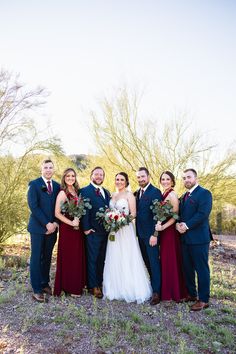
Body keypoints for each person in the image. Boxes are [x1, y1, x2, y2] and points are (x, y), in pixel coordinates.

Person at [103, 172, 152, 304]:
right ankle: (115, 288)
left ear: (126, 181)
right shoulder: (112, 195)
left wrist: (121, 222)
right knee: (115, 256)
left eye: (122, 179)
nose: (119, 181)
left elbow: (134, 213)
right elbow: (108, 212)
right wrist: (111, 221)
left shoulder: (129, 195)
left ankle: (130, 288)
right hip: (113, 231)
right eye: (117, 179)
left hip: (125, 230)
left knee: (127, 255)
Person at [176, 168, 213, 311]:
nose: (186, 180)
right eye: (184, 178)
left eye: (189, 177)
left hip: (199, 239)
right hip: (185, 239)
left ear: (195, 178)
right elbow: (180, 214)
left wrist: (186, 225)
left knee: (201, 269)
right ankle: (191, 294)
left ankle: (204, 299)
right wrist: (179, 223)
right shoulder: (184, 196)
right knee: (187, 268)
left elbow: (203, 214)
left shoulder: (204, 193)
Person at [27, 159, 60, 302]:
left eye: (50, 167)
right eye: (45, 167)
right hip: (37, 228)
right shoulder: (34, 185)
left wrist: (55, 223)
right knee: (36, 258)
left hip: (53, 228)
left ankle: (44, 283)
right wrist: (47, 224)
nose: (48, 170)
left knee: (47, 257)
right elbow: (33, 206)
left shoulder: (58, 186)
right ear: (41, 169)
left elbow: (61, 208)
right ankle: (36, 289)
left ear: (53, 170)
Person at [155, 171, 187, 302]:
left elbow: (175, 216)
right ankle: (168, 290)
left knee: (170, 260)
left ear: (172, 181)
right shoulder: (164, 193)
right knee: (165, 260)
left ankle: (172, 292)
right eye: (163, 179)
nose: (165, 181)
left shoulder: (172, 195)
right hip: (164, 232)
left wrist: (162, 226)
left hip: (169, 233)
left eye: (168, 179)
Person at [54, 168, 86, 297]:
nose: (71, 178)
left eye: (73, 176)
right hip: (68, 229)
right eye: (68, 176)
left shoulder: (77, 191)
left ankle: (76, 284)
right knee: (69, 257)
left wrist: (77, 220)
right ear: (64, 177)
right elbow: (56, 213)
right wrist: (71, 222)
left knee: (77, 257)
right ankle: (69, 287)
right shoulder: (63, 193)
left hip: (77, 228)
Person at [80, 167, 110, 299]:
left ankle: (99, 282)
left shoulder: (106, 192)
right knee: (92, 258)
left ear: (103, 177)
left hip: (106, 231)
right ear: (91, 175)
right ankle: (93, 286)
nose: (98, 176)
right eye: (96, 174)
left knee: (101, 258)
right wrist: (86, 228)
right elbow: (84, 210)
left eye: (101, 175)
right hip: (92, 231)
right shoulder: (85, 191)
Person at [135, 167, 162, 305]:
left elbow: (159, 215)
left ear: (149, 176)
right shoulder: (137, 193)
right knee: (146, 262)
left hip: (151, 235)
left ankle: (157, 292)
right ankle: (153, 287)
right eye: (138, 177)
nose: (140, 179)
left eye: (143, 177)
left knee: (154, 263)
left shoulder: (155, 192)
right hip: (140, 234)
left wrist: (155, 234)